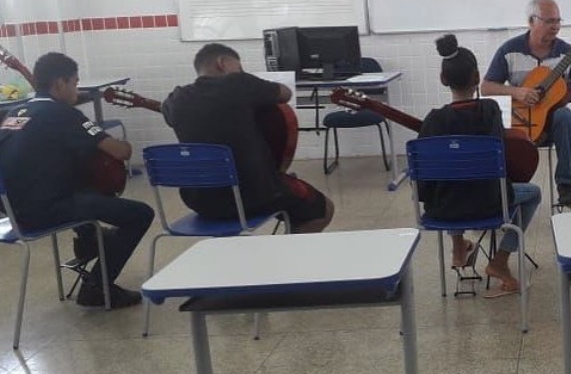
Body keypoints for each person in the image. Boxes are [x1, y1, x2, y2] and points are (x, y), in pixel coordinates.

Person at [0, 52, 154, 308]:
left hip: (12, 211)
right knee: (140, 214)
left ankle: (91, 240)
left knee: (79, 185)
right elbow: (120, 152)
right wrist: (125, 144)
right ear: (60, 84)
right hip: (44, 210)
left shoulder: (15, 113)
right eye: (74, 82)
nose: (76, 89)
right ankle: (96, 287)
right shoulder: (62, 114)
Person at [163, 44, 334, 233]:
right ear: (222, 63)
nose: (241, 71)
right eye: (239, 67)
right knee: (323, 209)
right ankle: (289, 255)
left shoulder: (176, 98)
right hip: (254, 197)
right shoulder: (238, 83)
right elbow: (285, 93)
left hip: (201, 201)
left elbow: (172, 114)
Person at [419, 34, 542, 298]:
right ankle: (499, 261)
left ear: (443, 79)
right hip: (489, 204)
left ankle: (457, 245)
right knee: (533, 193)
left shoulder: (432, 121)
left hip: (444, 211)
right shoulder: (490, 111)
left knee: (451, 181)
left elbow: (425, 186)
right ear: (477, 78)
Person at [481, 0, 571, 208]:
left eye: (558, 21)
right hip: (520, 123)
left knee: (565, 116)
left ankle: (565, 186)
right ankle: (507, 191)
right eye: (549, 21)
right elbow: (486, 87)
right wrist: (516, 92)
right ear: (531, 21)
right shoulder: (509, 50)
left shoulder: (567, 52)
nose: (555, 27)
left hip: (554, 126)